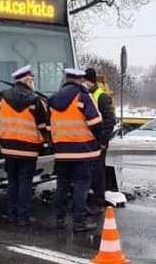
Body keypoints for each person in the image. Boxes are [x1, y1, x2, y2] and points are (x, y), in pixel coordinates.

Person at [48, 68, 103, 232]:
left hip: (61, 150)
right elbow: (96, 122)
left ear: (66, 79)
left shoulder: (52, 100)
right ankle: (79, 222)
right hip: (82, 150)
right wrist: (97, 139)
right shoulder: (83, 96)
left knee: (62, 185)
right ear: (80, 79)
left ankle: (60, 219)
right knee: (81, 185)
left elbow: (49, 127)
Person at [0, 65, 48, 226]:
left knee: (12, 183)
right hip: (28, 149)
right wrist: (46, 140)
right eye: (32, 80)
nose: (33, 83)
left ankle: (12, 214)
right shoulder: (35, 100)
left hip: (7, 148)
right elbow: (42, 125)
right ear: (27, 80)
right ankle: (23, 217)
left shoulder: (3, 97)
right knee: (25, 183)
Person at [83, 67, 117, 211]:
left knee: (98, 170)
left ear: (89, 81)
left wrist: (103, 141)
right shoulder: (87, 94)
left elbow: (110, 120)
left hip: (98, 141)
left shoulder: (100, 96)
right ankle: (92, 195)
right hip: (89, 140)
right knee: (90, 169)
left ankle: (98, 199)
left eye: (84, 80)